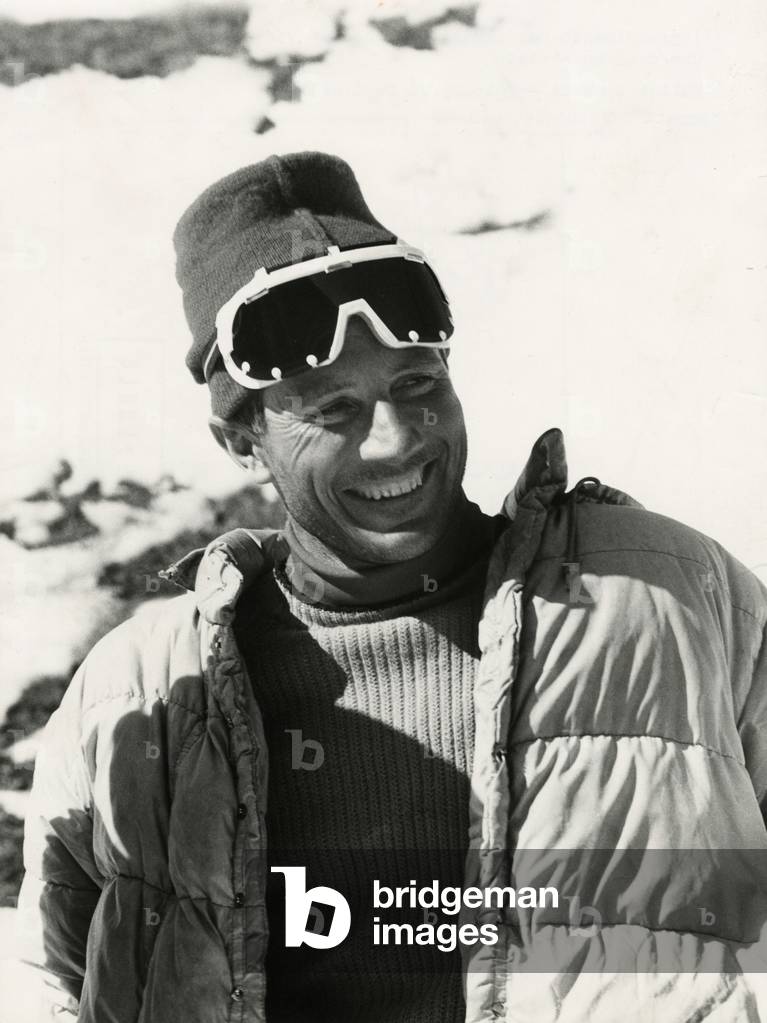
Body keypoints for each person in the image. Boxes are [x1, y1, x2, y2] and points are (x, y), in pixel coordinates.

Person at [15, 151, 767, 1023]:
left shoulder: (663, 596)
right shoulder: (136, 692)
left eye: (417, 384)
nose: (395, 441)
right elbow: (53, 979)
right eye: (331, 410)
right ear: (240, 439)